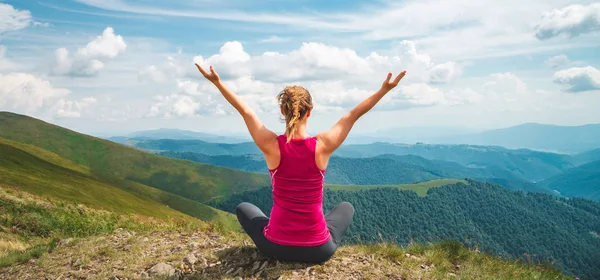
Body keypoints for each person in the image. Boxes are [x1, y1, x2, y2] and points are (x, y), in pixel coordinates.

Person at [196, 63, 407, 263]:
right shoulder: (322, 145)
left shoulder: (271, 144)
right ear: (310, 111)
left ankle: (281, 228)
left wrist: (217, 82)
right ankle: (314, 230)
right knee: (346, 207)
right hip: (319, 250)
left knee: (244, 207)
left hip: (274, 247)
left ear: (282, 111)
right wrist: (384, 90)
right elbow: (353, 115)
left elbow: (246, 111)